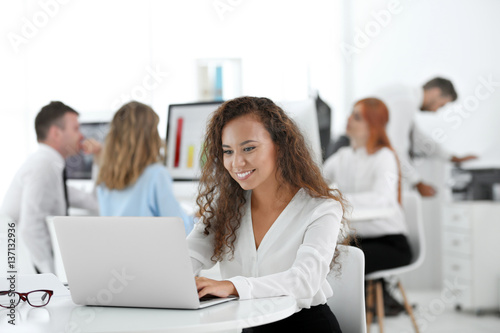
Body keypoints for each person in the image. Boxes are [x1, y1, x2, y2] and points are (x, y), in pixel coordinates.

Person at [187, 96, 349, 332]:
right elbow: (190, 254)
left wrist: (232, 287)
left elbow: (304, 282)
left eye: (249, 148)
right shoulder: (225, 205)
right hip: (249, 326)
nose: (237, 162)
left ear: (280, 145)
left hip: (306, 327)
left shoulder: (321, 208)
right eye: (228, 151)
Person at [323, 98, 412, 314]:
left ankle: (354, 320)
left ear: (372, 124)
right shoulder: (342, 157)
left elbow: (381, 198)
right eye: (350, 114)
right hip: (358, 240)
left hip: (391, 243)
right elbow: (316, 183)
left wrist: (337, 199)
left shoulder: (384, 157)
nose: (348, 119)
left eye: (357, 116)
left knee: (343, 263)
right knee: (328, 257)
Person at [327, 77, 477, 197]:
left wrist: (451, 157)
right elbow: (396, 147)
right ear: (435, 92)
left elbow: (419, 139)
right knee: (353, 208)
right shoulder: (405, 101)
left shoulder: (405, 95)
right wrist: (417, 183)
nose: (437, 110)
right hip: (352, 147)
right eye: (442, 105)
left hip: (350, 145)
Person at [0, 101, 100, 274]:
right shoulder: (43, 166)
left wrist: (99, 159)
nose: (82, 136)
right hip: (20, 272)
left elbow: (93, 201)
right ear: (56, 133)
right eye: (76, 128)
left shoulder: (51, 167)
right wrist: (53, 278)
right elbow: (31, 230)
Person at [96, 101, 194, 235]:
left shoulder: (104, 176)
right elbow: (181, 230)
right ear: (150, 137)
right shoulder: (156, 175)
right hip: (150, 254)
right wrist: (197, 217)